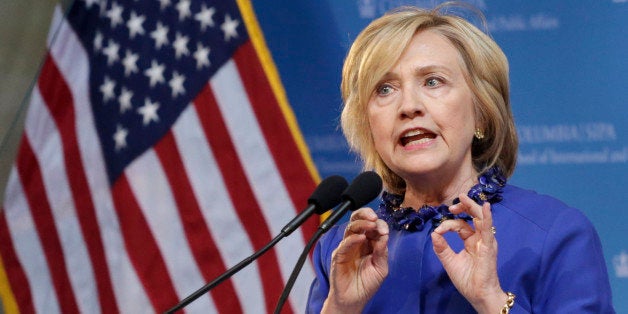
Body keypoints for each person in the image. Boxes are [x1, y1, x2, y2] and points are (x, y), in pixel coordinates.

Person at [306, 4, 615, 313]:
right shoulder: (342, 249)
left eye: (432, 81)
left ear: (481, 111)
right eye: (385, 89)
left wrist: (490, 298)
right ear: (368, 124)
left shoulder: (556, 233)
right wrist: (340, 308)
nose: (408, 106)